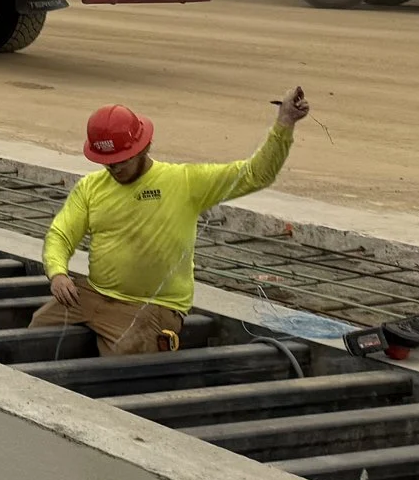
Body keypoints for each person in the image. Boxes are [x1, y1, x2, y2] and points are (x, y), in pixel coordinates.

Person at [33, 87, 309, 355]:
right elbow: (61, 234)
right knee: (36, 332)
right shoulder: (91, 188)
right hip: (94, 294)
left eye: (120, 160)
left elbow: (255, 174)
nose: (113, 168)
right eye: (107, 162)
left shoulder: (182, 182)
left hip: (153, 305)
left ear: (143, 148)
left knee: (127, 358)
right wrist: (57, 273)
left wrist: (285, 123)